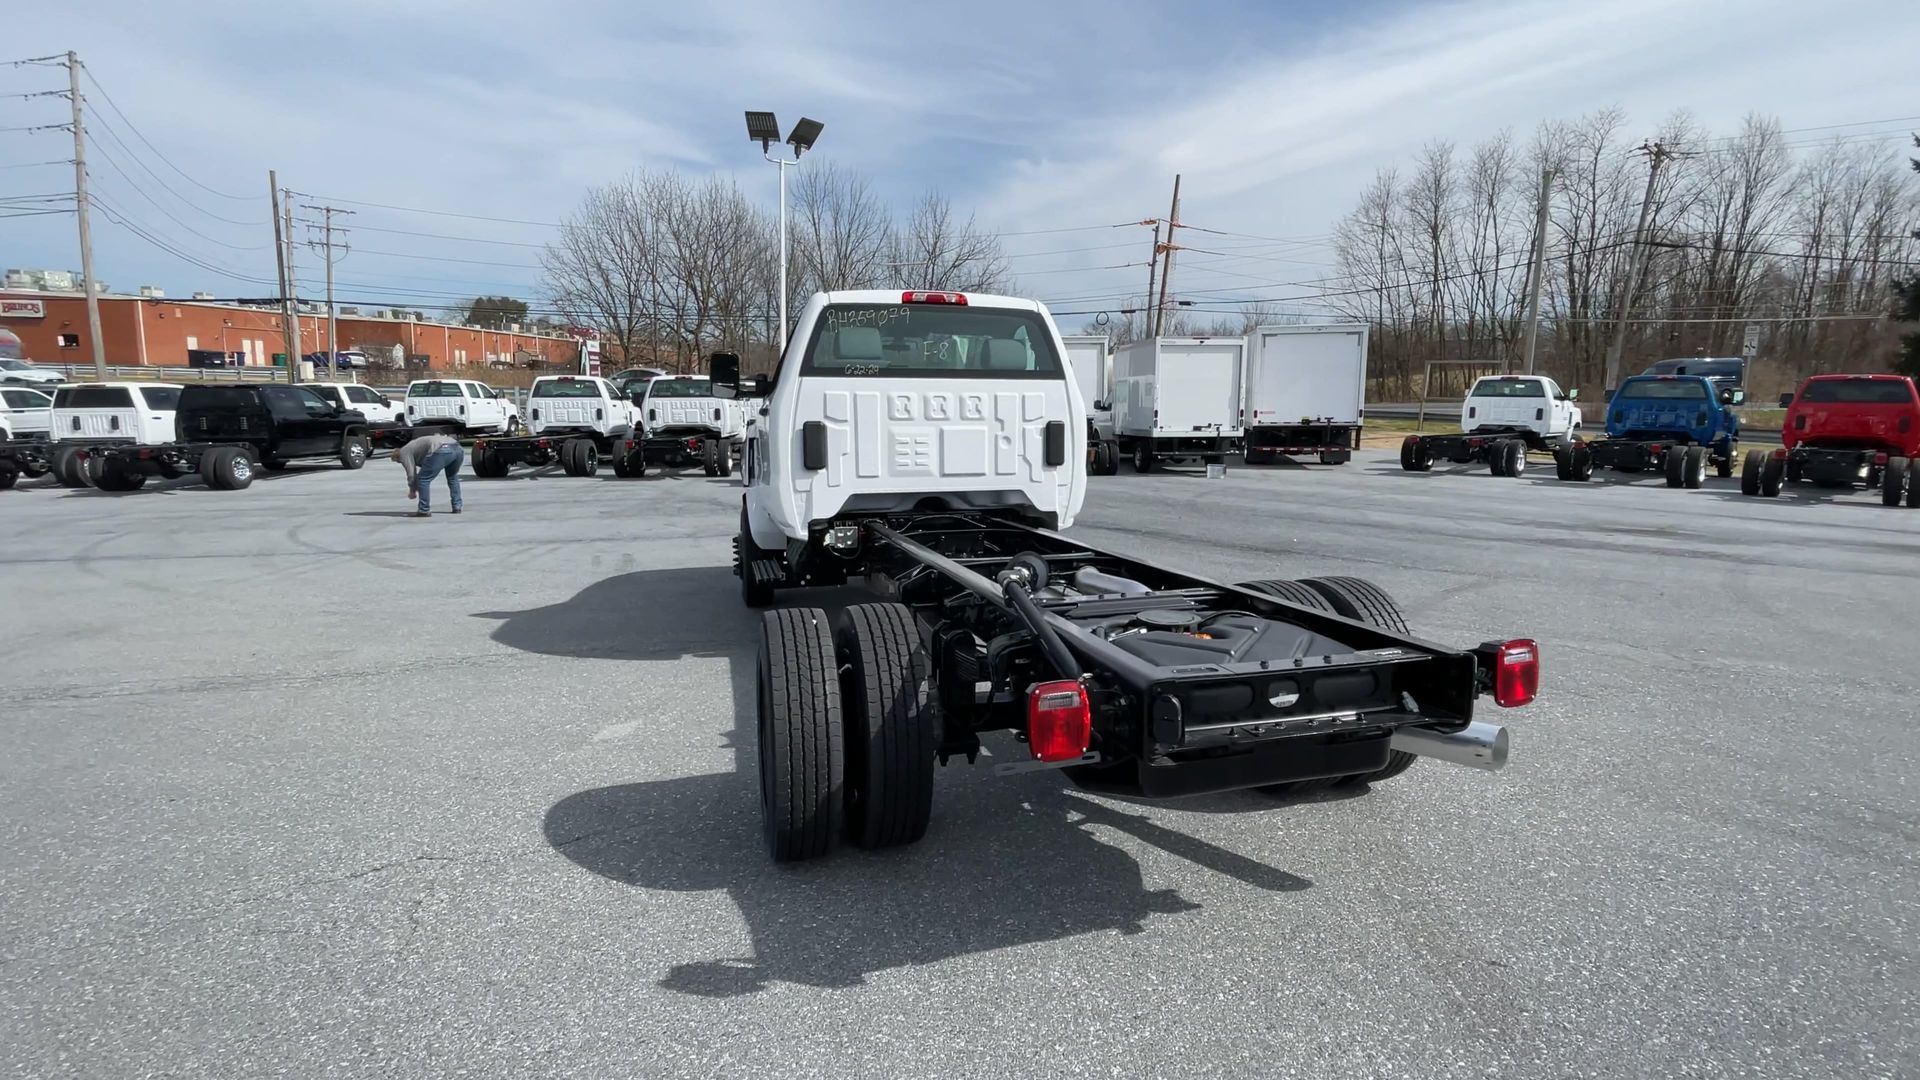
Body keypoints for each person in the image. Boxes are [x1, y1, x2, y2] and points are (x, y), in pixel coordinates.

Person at [394, 432, 464, 517]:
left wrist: (412, 489)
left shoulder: (404, 452)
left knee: (423, 480)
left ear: (398, 457)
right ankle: (457, 506)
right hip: (457, 447)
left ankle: (423, 510)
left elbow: (411, 473)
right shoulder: (413, 446)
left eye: (399, 461)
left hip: (441, 449)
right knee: (452, 477)